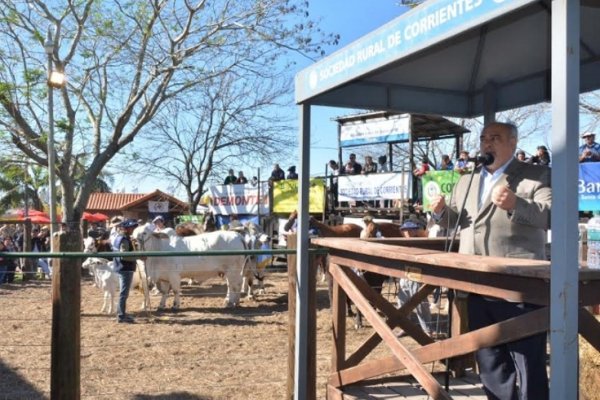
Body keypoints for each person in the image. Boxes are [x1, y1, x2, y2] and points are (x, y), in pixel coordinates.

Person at [430, 121, 551, 400]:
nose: (486, 144)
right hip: (476, 282)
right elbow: (458, 221)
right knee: (490, 360)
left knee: (527, 362)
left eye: (495, 138)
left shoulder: (537, 175)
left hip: (519, 285)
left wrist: (516, 204)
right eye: (484, 138)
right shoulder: (466, 180)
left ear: (513, 143)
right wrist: (440, 212)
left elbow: (551, 215)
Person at [111, 219, 139, 324]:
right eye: (131, 227)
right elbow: (124, 255)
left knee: (123, 293)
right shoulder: (124, 239)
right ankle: (121, 315)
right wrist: (138, 257)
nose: (133, 229)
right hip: (125, 268)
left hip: (121, 267)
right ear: (126, 228)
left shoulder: (119, 238)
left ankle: (121, 313)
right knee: (124, 293)